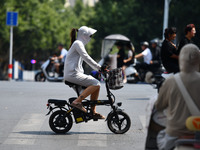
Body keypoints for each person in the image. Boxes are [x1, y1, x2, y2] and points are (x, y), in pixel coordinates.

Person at [155, 44, 200, 150]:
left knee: (159, 139)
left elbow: (159, 106)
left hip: (175, 133)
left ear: (181, 59)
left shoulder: (171, 81)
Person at [64, 26, 105, 119]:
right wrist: (100, 68)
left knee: (96, 86)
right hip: (73, 74)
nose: (91, 38)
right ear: (85, 36)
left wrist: (99, 68)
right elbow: (86, 57)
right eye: (90, 36)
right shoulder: (78, 43)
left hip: (74, 74)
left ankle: (93, 112)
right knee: (96, 83)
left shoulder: (78, 43)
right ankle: (77, 102)